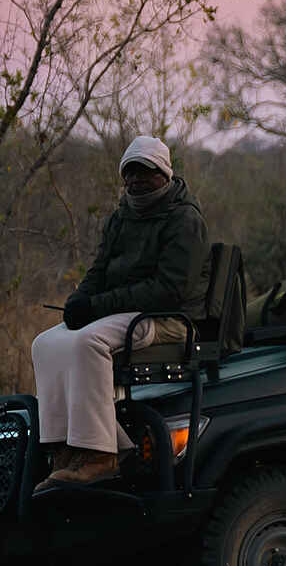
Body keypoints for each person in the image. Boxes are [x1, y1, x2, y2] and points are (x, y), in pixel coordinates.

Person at [30, 136, 207, 491]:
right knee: (44, 343)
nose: (136, 181)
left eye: (145, 172)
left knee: (88, 343)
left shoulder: (184, 219)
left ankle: (100, 455)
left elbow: (168, 291)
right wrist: (80, 300)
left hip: (169, 320)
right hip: (127, 314)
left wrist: (98, 307)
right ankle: (64, 450)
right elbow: (99, 270)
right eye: (130, 173)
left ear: (164, 174)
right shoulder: (121, 217)